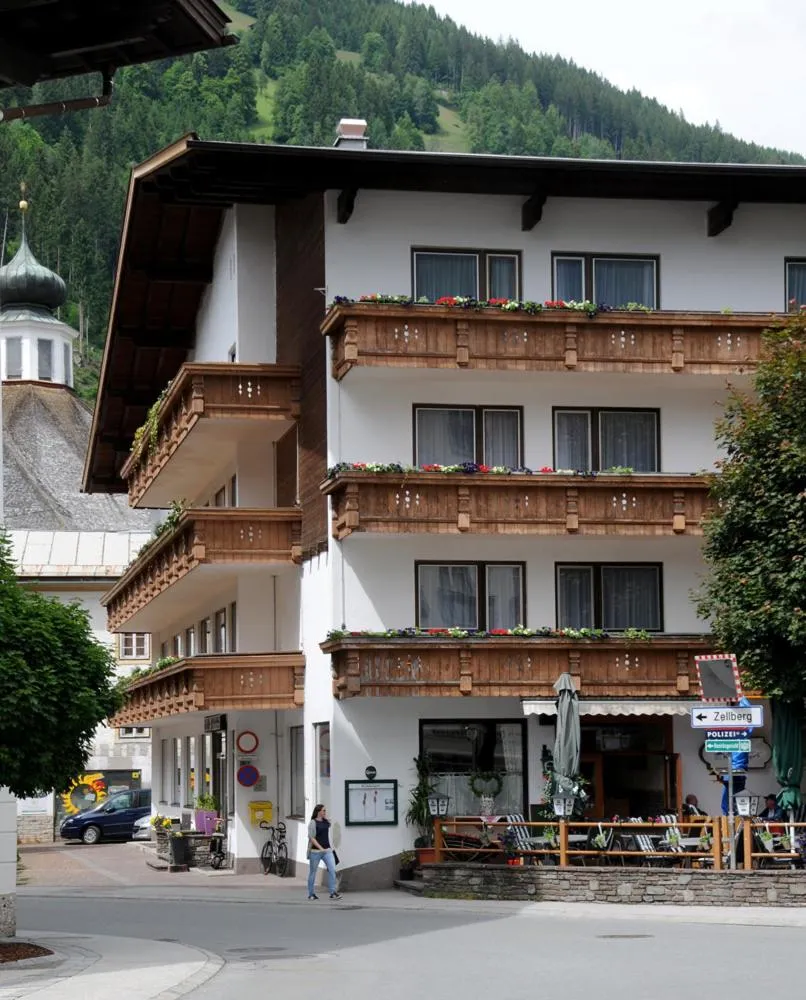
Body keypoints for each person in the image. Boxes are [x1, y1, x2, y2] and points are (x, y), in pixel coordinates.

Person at [307, 804, 342, 901]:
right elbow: (311, 838)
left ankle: (333, 892)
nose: (325, 812)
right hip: (315, 851)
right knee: (313, 873)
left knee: (332, 870)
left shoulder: (326, 822)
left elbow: (330, 825)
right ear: (318, 811)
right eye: (323, 811)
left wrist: (325, 818)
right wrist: (320, 848)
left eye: (325, 811)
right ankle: (311, 894)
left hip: (327, 851)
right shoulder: (313, 823)